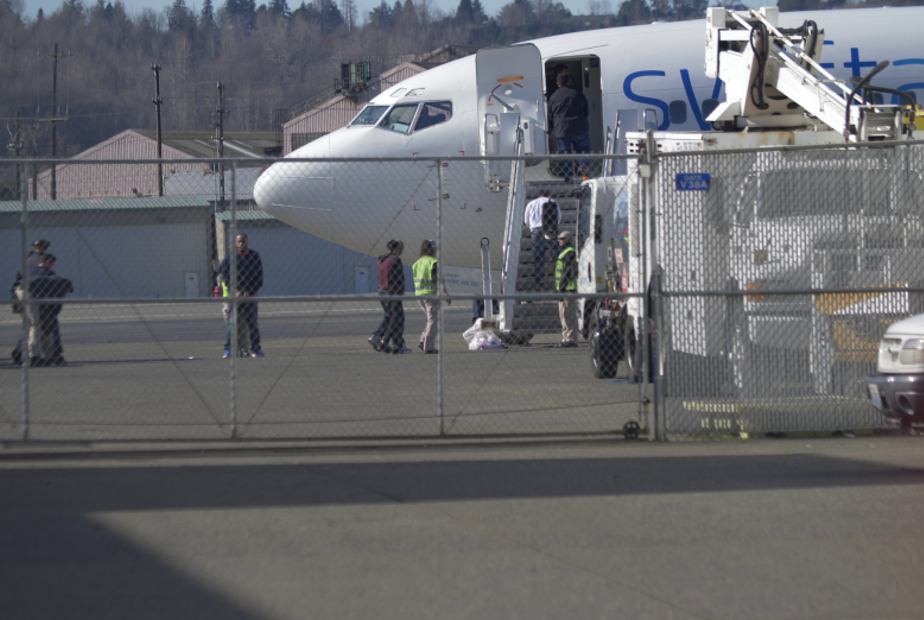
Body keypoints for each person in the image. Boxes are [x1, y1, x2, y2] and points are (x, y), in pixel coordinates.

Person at [220, 233, 264, 358]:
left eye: (243, 241)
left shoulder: (254, 256)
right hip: (235, 297)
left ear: (247, 242)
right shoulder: (230, 258)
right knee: (232, 323)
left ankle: (255, 349)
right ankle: (229, 349)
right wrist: (234, 290)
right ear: (235, 243)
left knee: (252, 323)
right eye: (239, 241)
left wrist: (249, 291)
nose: (241, 243)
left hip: (250, 296)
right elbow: (225, 274)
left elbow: (259, 277)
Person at [11, 239, 52, 366]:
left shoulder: (29, 258)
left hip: (19, 292)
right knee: (35, 325)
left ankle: (18, 352)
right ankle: (34, 356)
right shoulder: (38, 259)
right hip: (28, 292)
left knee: (28, 325)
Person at [30, 254, 73, 366]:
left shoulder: (31, 270)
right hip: (41, 304)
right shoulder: (49, 274)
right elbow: (56, 303)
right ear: (47, 262)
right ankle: (54, 355)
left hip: (26, 299)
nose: (52, 267)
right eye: (51, 264)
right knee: (49, 328)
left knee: (31, 328)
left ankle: (21, 353)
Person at [548, 73, 590, 182]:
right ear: (569, 82)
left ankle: (568, 177)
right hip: (579, 127)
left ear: (558, 84)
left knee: (564, 153)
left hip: (562, 129)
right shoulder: (578, 94)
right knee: (583, 150)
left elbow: (551, 114)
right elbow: (586, 111)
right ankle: (583, 171)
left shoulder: (553, 97)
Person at [369, 240, 407, 354]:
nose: (401, 252)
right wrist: (401, 293)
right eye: (400, 249)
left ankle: (397, 344)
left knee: (390, 317)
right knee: (397, 319)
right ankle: (385, 342)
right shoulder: (395, 260)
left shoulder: (381, 260)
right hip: (392, 292)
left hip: (383, 291)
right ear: (395, 249)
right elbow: (400, 278)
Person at [413, 239, 450, 354]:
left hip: (419, 293)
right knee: (434, 320)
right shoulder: (433, 262)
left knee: (430, 320)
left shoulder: (417, 263)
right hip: (431, 294)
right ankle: (428, 346)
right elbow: (438, 279)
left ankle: (423, 340)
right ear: (433, 249)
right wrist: (445, 293)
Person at [523, 190, 562, 290]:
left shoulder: (531, 203)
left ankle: (539, 282)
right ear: (547, 195)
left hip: (536, 230)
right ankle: (554, 258)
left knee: (539, 256)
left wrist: (532, 228)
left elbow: (526, 219)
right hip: (550, 228)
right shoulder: (552, 201)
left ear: (538, 195)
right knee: (558, 245)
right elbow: (559, 216)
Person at [555, 230, 579, 348]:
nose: (559, 240)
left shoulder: (570, 252)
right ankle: (566, 338)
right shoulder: (564, 252)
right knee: (563, 315)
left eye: (562, 238)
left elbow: (567, 271)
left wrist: (562, 287)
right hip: (564, 288)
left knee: (568, 315)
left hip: (568, 289)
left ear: (568, 240)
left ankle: (570, 338)